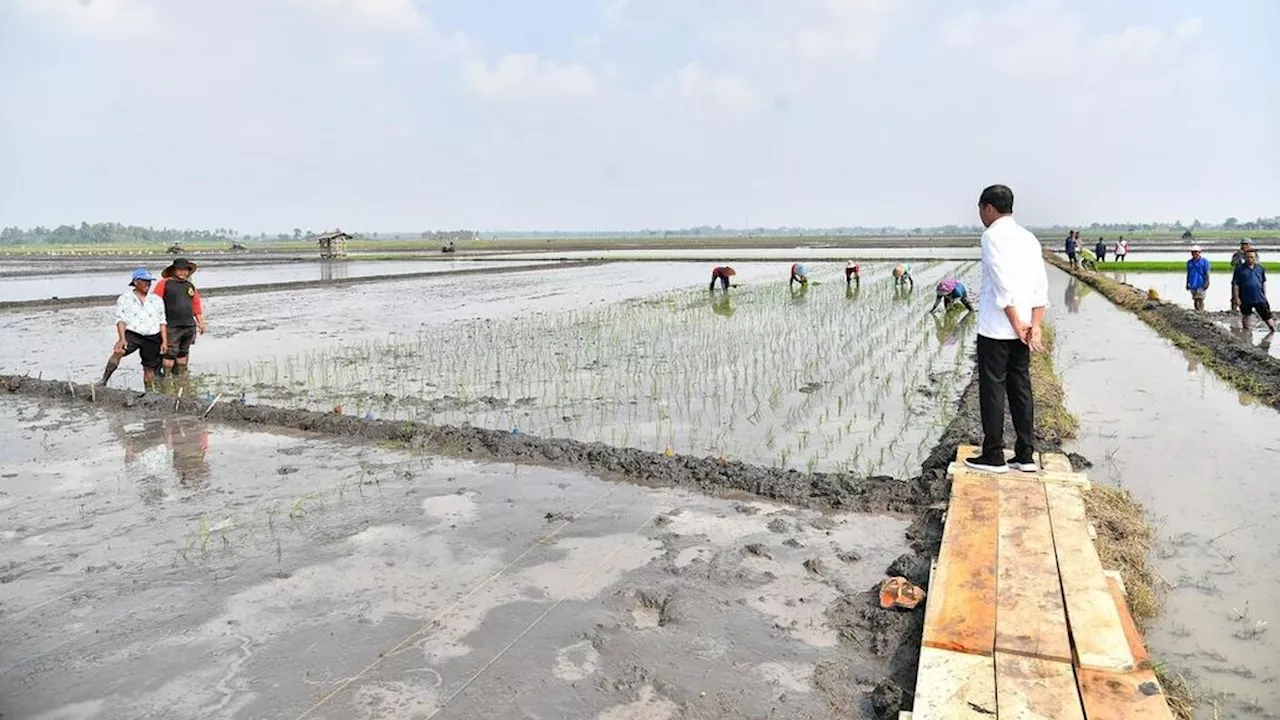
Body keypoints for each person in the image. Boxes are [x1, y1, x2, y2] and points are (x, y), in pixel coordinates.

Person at [964, 184, 1049, 475]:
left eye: (980, 210)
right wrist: (1033, 327)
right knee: (1021, 387)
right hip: (1024, 329)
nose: (980, 216)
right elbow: (1040, 286)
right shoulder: (1029, 238)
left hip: (998, 329)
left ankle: (994, 456)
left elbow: (1001, 283)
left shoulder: (991, 236)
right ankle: (1025, 455)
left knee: (993, 390)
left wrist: (1015, 322)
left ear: (988, 208)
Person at [100, 268, 168, 390]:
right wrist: (122, 338)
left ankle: (148, 392)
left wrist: (164, 341)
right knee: (119, 352)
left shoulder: (156, 300)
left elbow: (162, 321)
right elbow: (121, 320)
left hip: (152, 336)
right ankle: (104, 380)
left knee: (149, 367)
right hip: (133, 334)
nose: (148, 284)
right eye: (145, 281)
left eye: (149, 281)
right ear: (136, 282)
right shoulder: (125, 298)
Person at [153, 258, 206, 382]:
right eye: (180, 270)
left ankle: (180, 378)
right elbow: (154, 303)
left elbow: (196, 305)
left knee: (183, 352)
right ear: (174, 270)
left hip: (188, 325)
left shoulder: (189, 285)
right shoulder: (164, 283)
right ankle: (166, 378)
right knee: (169, 353)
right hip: (171, 325)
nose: (183, 272)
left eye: (185, 270)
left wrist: (200, 323)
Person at [1232, 250, 1276, 332]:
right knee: (1246, 315)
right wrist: (1236, 298)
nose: (1249, 259)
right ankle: (1247, 333)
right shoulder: (1239, 269)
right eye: (1247, 257)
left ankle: (1273, 330)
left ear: (1255, 258)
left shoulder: (1260, 268)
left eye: (1252, 257)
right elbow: (1235, 284)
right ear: (1244, 258)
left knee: (1267, 316)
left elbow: (1263, 283)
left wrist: (1264, 295)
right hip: (1245, 297)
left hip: (1259, 297)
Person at [1231, 240, 1255, 311]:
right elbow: (1233, 263)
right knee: (1235, 294)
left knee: (1251, 294)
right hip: (1238, 277)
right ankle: (1234, 311)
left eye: (1246, 244)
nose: (1244, 246)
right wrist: (1239, 256)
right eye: (1243, 244)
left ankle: (1250, 309)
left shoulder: (1254, 254)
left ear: (1250, 245)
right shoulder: (1237, 254)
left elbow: (1256, 264)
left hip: (1250, 277)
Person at [1185, 245, 1211, 312]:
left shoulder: (1205, 262)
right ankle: (1197, 311)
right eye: (1193, 252)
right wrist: (1187, 283)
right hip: (1192, 283)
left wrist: (1207, 282)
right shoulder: (1189, 262)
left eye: (1196, 252)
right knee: (1195, 299)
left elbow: (1207, 273)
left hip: (1201, 283)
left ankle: (1201, 311)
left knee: (1200, 298)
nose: (1195, 254)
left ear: (1199, 252)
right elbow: (1188, 273)